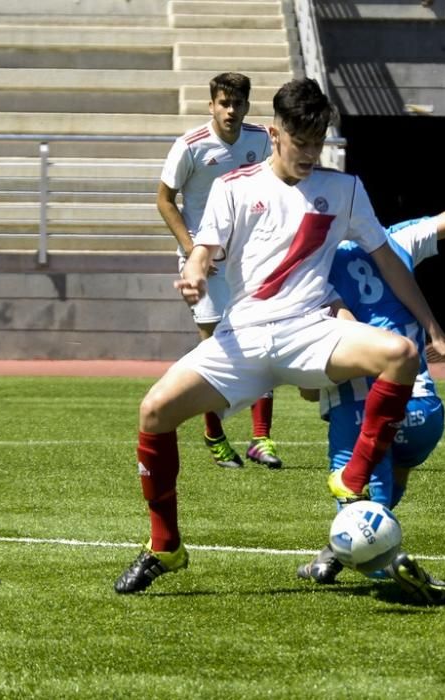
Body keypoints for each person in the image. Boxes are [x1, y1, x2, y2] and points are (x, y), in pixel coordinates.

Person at [114, 77, 445, 595]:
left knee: (400, 354)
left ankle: (352, 476)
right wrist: (194, 272)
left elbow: (387, 259)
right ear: (275, 134)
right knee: (153, 411)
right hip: (244, 339)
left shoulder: (345, 190)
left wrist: (431, 323)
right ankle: (165, 546)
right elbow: (206, 250)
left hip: (309, 333)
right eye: (301, 141)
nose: (310, 152)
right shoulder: (236, 187)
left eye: (318, 141)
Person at [296, 147, 445, 604]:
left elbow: (321, 369)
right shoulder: (399, 238)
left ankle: (394, 571)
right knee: (391, 476)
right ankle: (333, 553)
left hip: (363, 407)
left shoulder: (311, 266)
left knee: (358, 497)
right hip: (424, 409)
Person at [157, 72, 282, 469]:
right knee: (218, 351)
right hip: (204, 264)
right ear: (211, 105)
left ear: (247, 106)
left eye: (238, 103)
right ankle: (214, 435)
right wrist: (195, 251)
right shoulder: (190, 146)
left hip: (247, 261)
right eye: (224, 103)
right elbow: (164, 200)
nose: (231, 110)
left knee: (265, 342)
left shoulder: (261, 140)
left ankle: (261, 439)